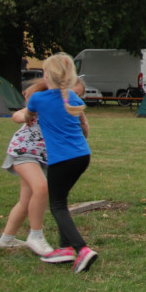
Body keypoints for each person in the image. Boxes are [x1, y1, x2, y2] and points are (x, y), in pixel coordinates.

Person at [10, 53, 97, 272]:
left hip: (61, 160)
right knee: (62, 200)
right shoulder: (74, 99)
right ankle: (64, 249)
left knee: (57, 206)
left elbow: (24, 116)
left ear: (47, 75)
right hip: (82, 157)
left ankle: (82, 249)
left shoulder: (39, 99)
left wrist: (25, 116)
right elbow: (83, 126)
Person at [0, 78, 88, 257]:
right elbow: (17, 116)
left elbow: (82, 129)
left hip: (41, 156)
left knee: (26, 200)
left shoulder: (71, 110)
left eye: (77, 94)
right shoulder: (43, 102)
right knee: (41, 188)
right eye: (71, 91)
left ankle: (6, 239)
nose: (72, 96)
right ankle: (36, 235)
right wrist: (27, 116)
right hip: (23, 151)